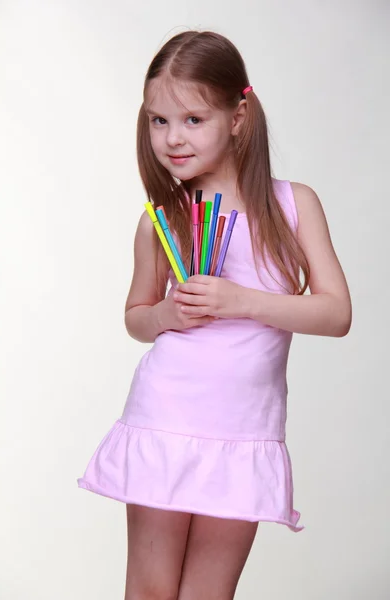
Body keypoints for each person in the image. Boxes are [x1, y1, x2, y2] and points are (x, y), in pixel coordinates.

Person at [77, 30, 352, 600]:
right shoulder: (165, 218)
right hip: (165, 417)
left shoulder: (293, 206)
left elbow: (336, 312)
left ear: (238, 115)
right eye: (158, 120)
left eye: (193, 119)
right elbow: (135, 316)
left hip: (243, 432)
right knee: (150, 591)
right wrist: (166, 316)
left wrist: (242, 301)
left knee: (210, 594)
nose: (173, 138)